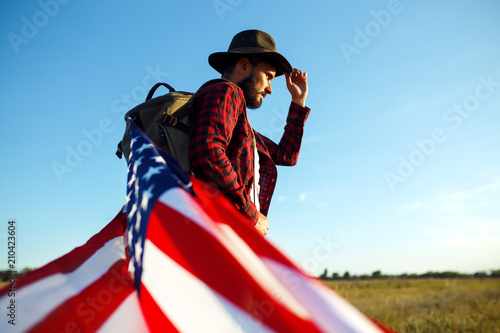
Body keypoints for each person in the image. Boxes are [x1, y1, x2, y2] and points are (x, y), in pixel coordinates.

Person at [189, 30, 310, 236]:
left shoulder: (241, 126)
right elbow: (208, 150)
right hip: (216, 232)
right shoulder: (227, 91)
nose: (270, 89)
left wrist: (298, 102)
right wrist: (250, 214)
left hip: (222, 232)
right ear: (244, 66)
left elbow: (286, 156)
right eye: (268, 77)